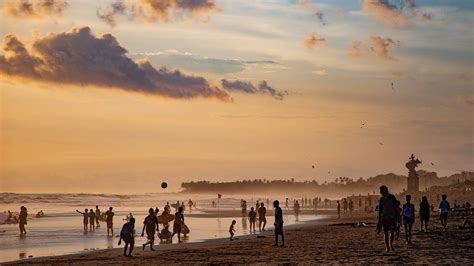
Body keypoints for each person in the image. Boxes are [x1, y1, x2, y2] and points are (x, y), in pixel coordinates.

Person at [377, 185, 399, 252]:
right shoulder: (381, 200)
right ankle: (387, 247)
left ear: (384, 190)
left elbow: (396, 207)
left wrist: (398, 217)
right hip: (384, 217)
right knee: (385, 232)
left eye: (381, 191)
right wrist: (379, 220)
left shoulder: (392, 197)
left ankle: (391, 244)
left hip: (392, 217)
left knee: (392, 232)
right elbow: (380, 210)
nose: (380, 192)